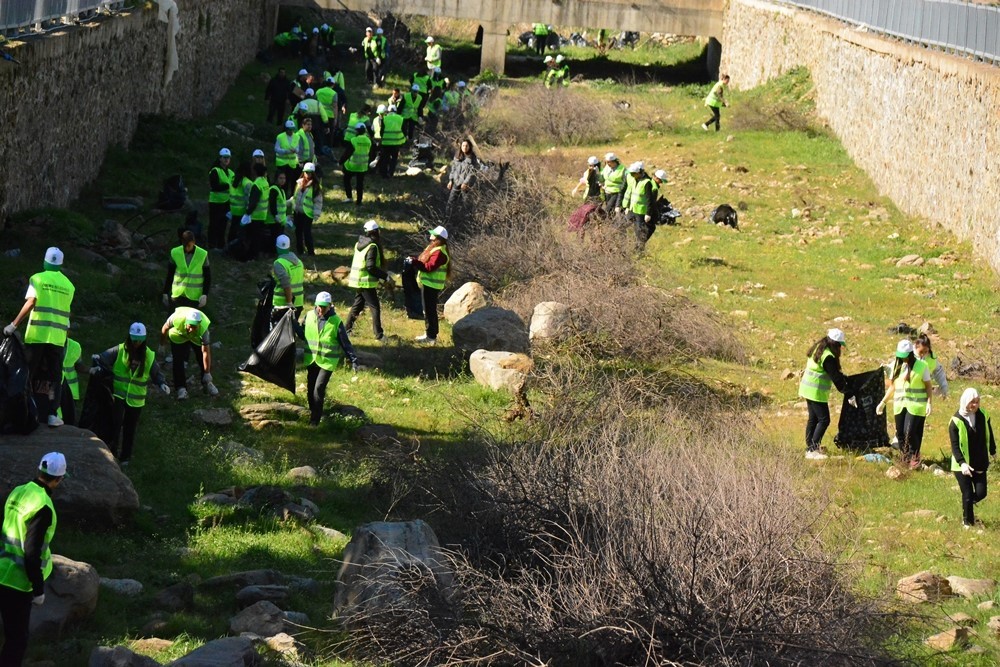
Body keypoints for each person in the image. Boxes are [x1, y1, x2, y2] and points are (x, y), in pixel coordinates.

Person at [0, 452, 67, 666]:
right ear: (59, 479)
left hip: (0, 568)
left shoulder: (18, 491)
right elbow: (31, 552)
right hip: (18, 583)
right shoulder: (44, 506)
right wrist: (38, 588)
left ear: (39, 470)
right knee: (17, 639)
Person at [4, 248, 76, 427]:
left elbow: (31, 302)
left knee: (28, 373)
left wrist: (13, 325)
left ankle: (27, 407)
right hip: (57, 338)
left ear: (45, 261)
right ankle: (52, 413)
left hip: (37, 335)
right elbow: (66, 313)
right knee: (54, 377)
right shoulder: (69, 285)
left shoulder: (37, 279)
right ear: (60, 264)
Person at [91, 323, 168, 466]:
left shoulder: (149, 355)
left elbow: (156, 372)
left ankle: (125, 457)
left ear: (144, 339)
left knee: (130, 428)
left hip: (136, 400)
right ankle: (110, 452)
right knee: (114, 424)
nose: (136, 343)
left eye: (139, 340)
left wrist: (161, 383)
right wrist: (97, 362)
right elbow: (103, 358)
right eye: (134, 339)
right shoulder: (120, 350)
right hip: (118, 396)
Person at [301, 292, 358, 426]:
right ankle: (314, 412)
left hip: (327, 362)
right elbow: (302, 334)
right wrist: (291, 322)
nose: (321, 309)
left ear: (330, 306)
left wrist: (353, 360)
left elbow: (345, 343)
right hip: (312, 359)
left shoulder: (336, 321)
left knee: (318, 389)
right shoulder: (309, 316)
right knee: (310, 389)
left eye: (324, 307)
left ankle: (315, 421)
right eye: (319, 306)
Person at [798, 328, 855, 460]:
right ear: (835, 344)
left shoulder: (819, 347)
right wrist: (849, 393)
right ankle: (813, 449)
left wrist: (844, 379)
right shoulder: (828, 356)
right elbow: (836, 378)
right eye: (840, 345)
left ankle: (810, 448)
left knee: (813, 419)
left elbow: (835, 374)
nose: (840, 348)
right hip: (816, 391)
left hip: (807, 388)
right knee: (824, 420)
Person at [877, 339, 932, 469]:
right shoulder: (897, 367)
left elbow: (928, 386)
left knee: (910, 432)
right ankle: (905, 458)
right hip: (900, 405)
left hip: (916, 406)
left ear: (910, 355)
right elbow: (893, 387)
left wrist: (929, 403)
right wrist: (883, 402)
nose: (903, 359)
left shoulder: (922, 366)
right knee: (900, 433)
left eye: (905, 357)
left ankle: (915, 457)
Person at [950, 388, 995, 529]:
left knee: (981, 493)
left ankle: (968, 503)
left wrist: (993, 450)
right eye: (972, 402)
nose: (975, 405)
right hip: (962, 465)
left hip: (979, 462)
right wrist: (962, 463)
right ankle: (967, 522)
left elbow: (989, 433)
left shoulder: (983, 415)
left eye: (977, 402)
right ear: (965, 402)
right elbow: (955, 446)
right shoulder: (955, 421)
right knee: (967, 492)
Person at [345, 220, 390, 341]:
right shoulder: (372, 246)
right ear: (376, 232)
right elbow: (370, 267)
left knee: (357, 306)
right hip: (365, 281)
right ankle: (379, 335)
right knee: (375, 307)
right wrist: (385, 276)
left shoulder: (359, 244)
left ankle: (346, 330)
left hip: (357, 280)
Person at [159, 307, 217, 400]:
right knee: (178, 360)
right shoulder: (176, 318)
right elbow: (165, 328)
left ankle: (208, 383)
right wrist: (162, 344)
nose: (191, 329)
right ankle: (181, 388)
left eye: (194, 327)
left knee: (201, 357)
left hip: (196, 337)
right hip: (179, 335)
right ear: (186, 322)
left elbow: (206, 352)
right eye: (190, 326)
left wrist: (207, 372)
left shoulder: (203, 329)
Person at [408, 226, 451, 345]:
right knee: (428, 310)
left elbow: (429, 267)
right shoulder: (434, 248)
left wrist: (415, 262)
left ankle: (431, 337)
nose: (431, 237)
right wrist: (415, 260)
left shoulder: (439, 252)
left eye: (433, 235)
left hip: (431, 286)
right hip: (427, 284)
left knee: (429, 310)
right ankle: (429, 334)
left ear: (438, 238)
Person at [163, 229, 210, 311]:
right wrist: (165, 292)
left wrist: (205, 294)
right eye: (185, 246)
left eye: (189, 246)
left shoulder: (202, 254)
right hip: (177, 294)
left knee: (190, 322)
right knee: (173, 320)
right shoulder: (175, 252)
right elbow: (170, 274)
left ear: (194, 242)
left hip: (193, 297)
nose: (187, 248)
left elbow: (207, 276)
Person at [622, 162, 657, 252]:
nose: (632, 175)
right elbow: (632, 195)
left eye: (634, 173)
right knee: (621, 225)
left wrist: (648, 213)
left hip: (641, 212)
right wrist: (628, 207)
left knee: (639, 233)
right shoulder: (635, 180)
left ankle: (639, 251)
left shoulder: (647, 183)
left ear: (639, 172)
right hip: (633, 209)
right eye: (631, 174)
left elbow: (650, 199)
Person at [271, 234, 304, 325]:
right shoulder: (299, 262)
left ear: (277, 247)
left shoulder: (279, 263)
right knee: (290, 332)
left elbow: (286, 284)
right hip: (299, 302)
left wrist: (289, 302)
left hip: (282, 304)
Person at [290, 162, 322, 256]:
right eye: (306, 172)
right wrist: (291, 206)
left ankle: (310, 252)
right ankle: (300, 250)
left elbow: (318, 201)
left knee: (307, 232)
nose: (308, 174)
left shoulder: (316, 186)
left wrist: (316, 213)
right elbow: (295, 197)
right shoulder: (299, 183)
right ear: (303, 172)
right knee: (298, 232)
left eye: (310, 172)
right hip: (297, 212)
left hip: (307, 214)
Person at [207, 148, 234, 249]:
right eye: (225, 158)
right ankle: (212, 244)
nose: (227, 160)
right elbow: (215, 186)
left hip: (227, 202)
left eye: (228, 158)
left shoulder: (230, 172)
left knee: (223, 224)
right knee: (214, 223)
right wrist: (229, 186)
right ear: (220, 158)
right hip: (216, 202)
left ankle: (221, 244)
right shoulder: (215, 171)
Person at [446, 139, 479, 218]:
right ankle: (447, 218)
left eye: (467, 146)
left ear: (469, 147)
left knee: (465, 203)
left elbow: (471, 172)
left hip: (466, 185)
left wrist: (465, 183)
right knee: (450, 202)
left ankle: (465, 219)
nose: (465, 147)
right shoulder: (457, 155)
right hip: (456, 182)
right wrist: (450, 180)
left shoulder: (472, 158)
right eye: (463, 145)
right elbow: (453, 169)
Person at [341, 123, 372, 206]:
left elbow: (347, 153)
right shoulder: (368, 140)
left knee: (346, 179)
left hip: (352, 166)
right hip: (363, 166)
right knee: (360, 184)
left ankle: (349, 197)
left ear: (356, 131)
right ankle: (359, 201)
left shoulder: (353, 140)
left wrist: (340, 162)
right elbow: (371, 153)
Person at [59, 337, 85, 426]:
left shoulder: (75, 346)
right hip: (56, 388)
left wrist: (91, 370)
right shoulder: (51, 344)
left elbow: (79, 365)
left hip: (71, 389)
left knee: (70, 419)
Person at [915, 333, 948, 398]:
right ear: (916, 347)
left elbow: (939, 373)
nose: (923, 354)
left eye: (926, 352)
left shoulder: (931, 358)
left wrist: (944, 390)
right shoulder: (909, 356)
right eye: (921, 352)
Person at [274, 120, 302, 195]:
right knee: (281, 182)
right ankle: (280, 195)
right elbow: (276, 149)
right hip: (282, 163)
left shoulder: (296, 137)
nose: (291, 131)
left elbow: (298, 149)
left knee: (290, 181)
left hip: (292, 164)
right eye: (289, 129)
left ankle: (289, 196)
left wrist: (295, 150)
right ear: (286, 129)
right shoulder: (280, 136)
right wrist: (285, 151)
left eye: (292, 129)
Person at [378, 105, 405, 178]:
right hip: (396, 143)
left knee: (385, 158)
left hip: (386, 143)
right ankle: (391, 173)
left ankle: (384, 174)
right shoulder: (400, 118)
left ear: (388, 111)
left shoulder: (385, 118)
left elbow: (381, 132)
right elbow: (403, 131)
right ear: (396, 111)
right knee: (394, 159)